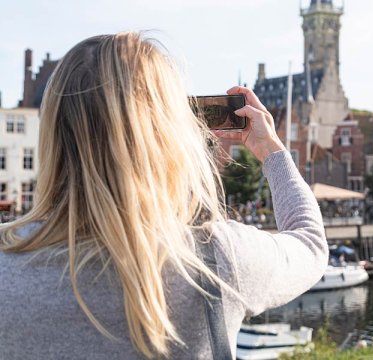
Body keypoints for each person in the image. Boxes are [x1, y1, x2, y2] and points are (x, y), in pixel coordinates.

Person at [0, 32, 328, 359]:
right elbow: (310, 245)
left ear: (52, 137)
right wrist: (272, 150)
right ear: (169, 137)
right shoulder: (218, 258)